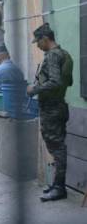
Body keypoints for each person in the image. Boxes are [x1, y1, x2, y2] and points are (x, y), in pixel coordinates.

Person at [27, 23, 73, 202]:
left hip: (52, 107)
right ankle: (56, 184)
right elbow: (68, 82)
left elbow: (55, 82)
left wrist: (34, 89)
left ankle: (60, 188)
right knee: (56, 146)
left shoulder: (53, 55)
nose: (37, 45)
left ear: (45, 39)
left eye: (38, 42)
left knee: (57, 148)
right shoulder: (64, 54)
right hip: (58, 105)